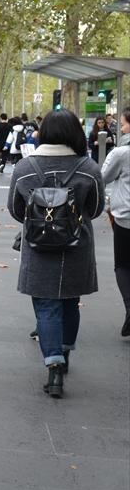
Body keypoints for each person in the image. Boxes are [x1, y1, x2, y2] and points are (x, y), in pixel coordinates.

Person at [7, 109, 105, 398]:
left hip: (39, 246)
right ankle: (64, 353)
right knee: (69, 302)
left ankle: (53, 369)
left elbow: (15, 209)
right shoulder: (88, 168)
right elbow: (96, 208)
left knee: (46, 305)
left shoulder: (25, 168)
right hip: (76, 246)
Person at [103, 108, 130, 336]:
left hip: (126, 217)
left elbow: (103, 177)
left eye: (122, 124)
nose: (121, 128)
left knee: (122, 265)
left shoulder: (121, 153)